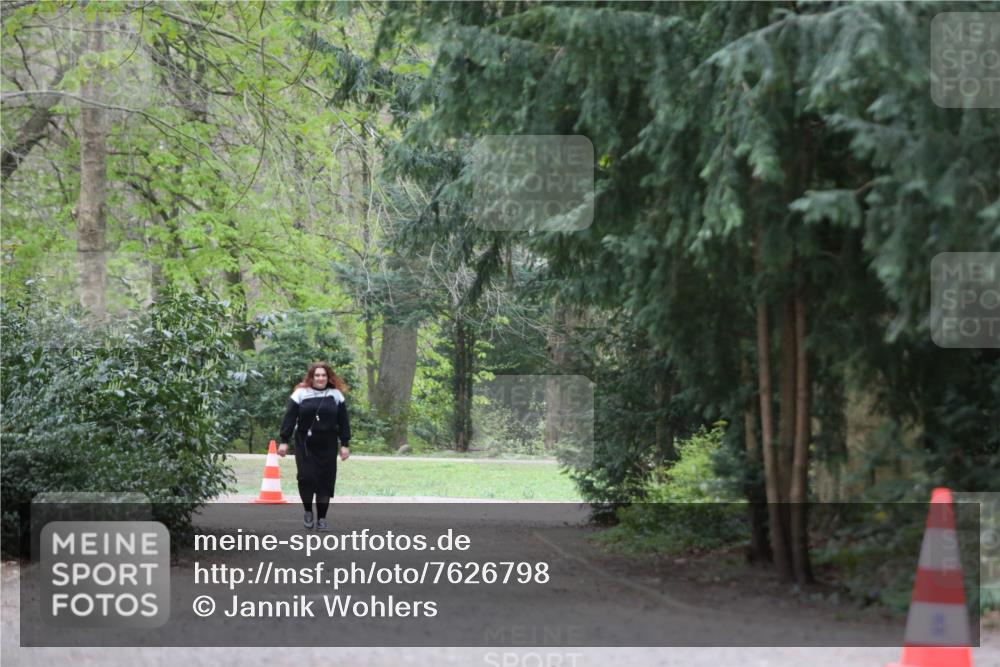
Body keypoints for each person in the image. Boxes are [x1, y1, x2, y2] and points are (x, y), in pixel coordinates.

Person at [278, 362, 351, 531]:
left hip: (328, 443)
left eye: (324, 375)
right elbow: (290, 417)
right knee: (306, 478)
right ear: (312, 377)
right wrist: (284, 440)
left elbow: (343, 421)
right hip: (305, 443)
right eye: (317, 375)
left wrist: (345, 444)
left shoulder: (336, 395)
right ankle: (308, 511)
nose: (320, 378)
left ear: (328, 377)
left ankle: (322, 519)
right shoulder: (301, 393)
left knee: (325, 481)